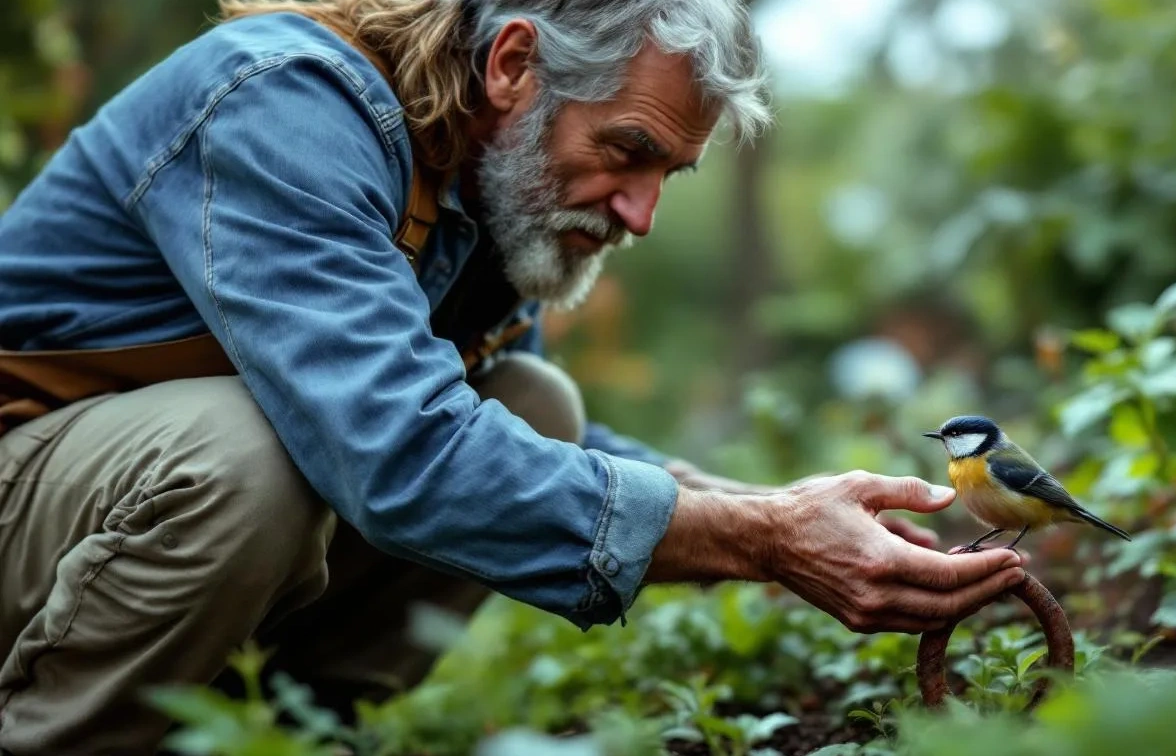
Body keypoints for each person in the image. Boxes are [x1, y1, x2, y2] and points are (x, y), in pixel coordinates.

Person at [0, 0, 1026, 752]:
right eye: (628, 151)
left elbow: (515, 446)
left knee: (534, 408)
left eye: (668, 175)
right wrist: (763, 544)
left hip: (105, 515)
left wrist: (781, 510)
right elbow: (403, 453)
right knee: (249, 460)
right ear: (514, 64)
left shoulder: (475, 190)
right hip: (28, 477)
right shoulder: (286, 106)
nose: (639, 214)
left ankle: (282, 738)